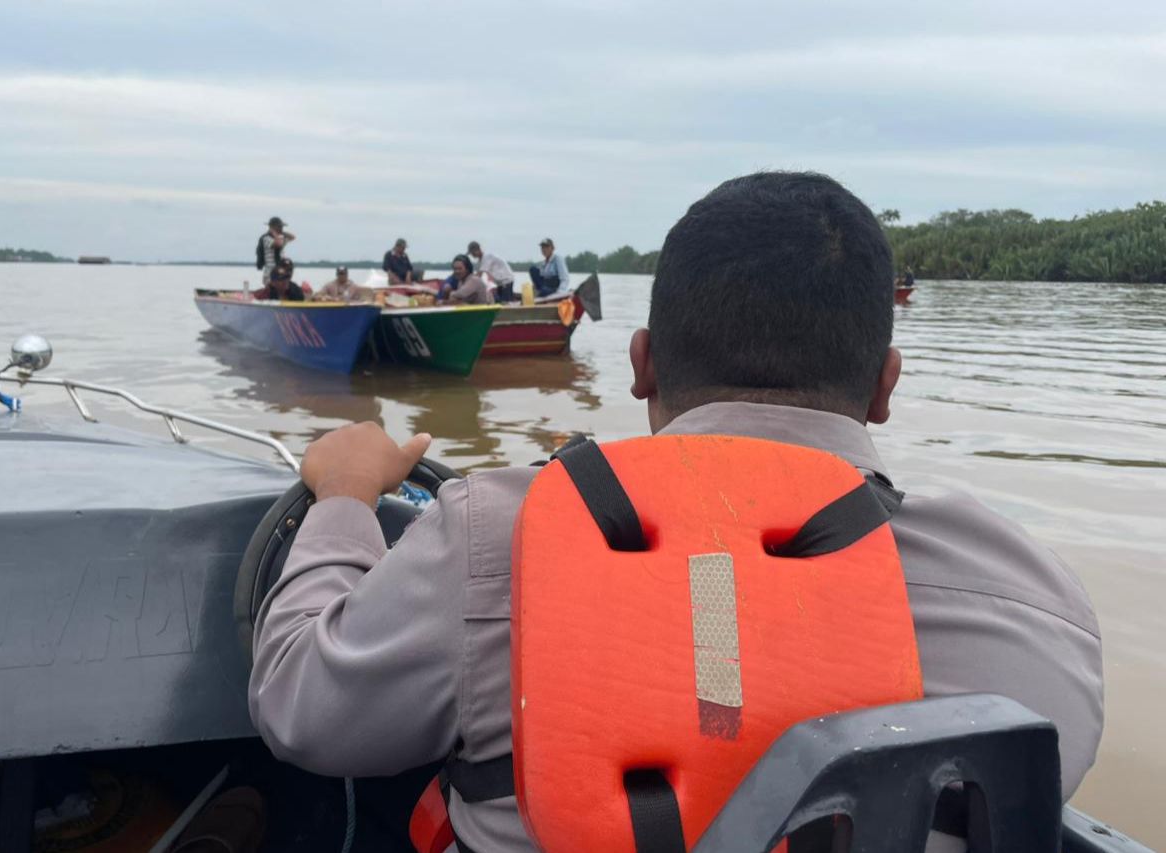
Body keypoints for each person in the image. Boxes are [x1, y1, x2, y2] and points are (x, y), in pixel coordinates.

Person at [249, 172, 1103, 852]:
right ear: (885, 386)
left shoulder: (493, 533)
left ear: (642, 364)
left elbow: (305, 710)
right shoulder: (1033, 601)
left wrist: (345, 499)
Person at [258, 217, 295, 286]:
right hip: (270, 272)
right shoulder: (266, 238)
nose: (281, 228)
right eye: (279, 227)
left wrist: (282, 232)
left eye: (281, 227)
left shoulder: (281, 237)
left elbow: (292, 237)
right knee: (272, 290)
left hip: (280, 270)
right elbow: (278, 244)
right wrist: (274, 233)